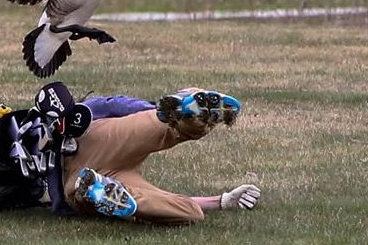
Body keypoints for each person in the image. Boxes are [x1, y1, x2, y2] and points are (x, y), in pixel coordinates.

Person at [51, 86, 261, 224]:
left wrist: (223, 201)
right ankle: (186, 115)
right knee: (191, 211)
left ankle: (186, 112)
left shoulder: (37, 125)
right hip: (93, 167)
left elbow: (106, 106)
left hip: (89, 152)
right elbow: (110, 105)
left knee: (191, 212)